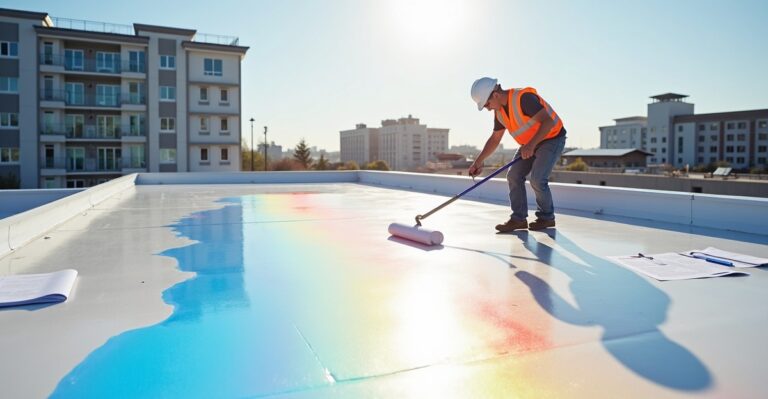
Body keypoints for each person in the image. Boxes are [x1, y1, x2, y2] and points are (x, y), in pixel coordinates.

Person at [468, 77, 567, 232]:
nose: (487, 108)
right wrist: (478, 161)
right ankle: (518, 219)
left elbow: (548, 122)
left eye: (486, 104)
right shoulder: (499, 112)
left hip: (552, 138)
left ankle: (546, 218)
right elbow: (495, 139)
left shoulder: (523, 99)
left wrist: (532, 145)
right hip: (529, 143)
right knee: (513, 175)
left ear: (495, 94)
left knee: (538, 178)